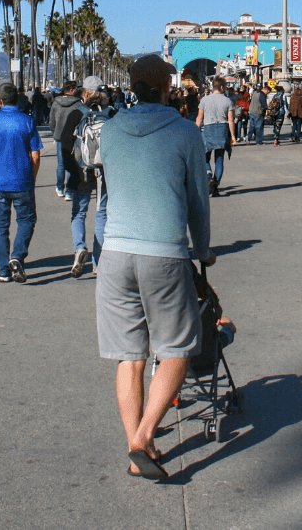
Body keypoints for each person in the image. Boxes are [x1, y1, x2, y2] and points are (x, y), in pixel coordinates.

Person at [96, 54, 214, 481]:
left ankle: (135, 452)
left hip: (114, 253)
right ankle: (143, 437)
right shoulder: (184, 132)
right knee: (177, 349)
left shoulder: (111, 129)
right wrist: (202, 249)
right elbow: (198, 200)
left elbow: (107, 191)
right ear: (167, 87)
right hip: (162, 251)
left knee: (130, 356)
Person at [0, 83, 43, 283]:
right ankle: (17, 256)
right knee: (26, 220)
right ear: (18, 99)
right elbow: (35, 156)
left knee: (0, 225)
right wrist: (32, 177)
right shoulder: (27, 121)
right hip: (22, 180)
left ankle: (3, 269)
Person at [66, 75, 115, 277]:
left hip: (81, 170)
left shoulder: (76, 114)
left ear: (85, 93)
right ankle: (97, 262)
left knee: (79, 212)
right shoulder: (111, 114)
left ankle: (79, 248)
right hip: (105, 171)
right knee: (101, 213)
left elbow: (64, 145)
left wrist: (71, 169)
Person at [196, 76, 236, 197]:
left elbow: (199, 118)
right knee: (219, 159)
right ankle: (215, 186)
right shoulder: (228, 101)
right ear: (222, 87)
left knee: (204, 157)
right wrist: (233, 136)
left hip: (207, 129)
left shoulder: (204, 100)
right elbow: (231, 120)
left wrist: (195, 131)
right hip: (222, 130)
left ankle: (209, 177)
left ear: (213, 87)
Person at [49, 80, 82, 200]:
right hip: (73, 137)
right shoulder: (78, 104)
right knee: (72, 164)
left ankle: (59, 188)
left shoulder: (56, 103)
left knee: (61, 164)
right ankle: (69, 190)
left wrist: (55, 133)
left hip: (59, 136)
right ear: (72, 90)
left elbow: (51, 121)